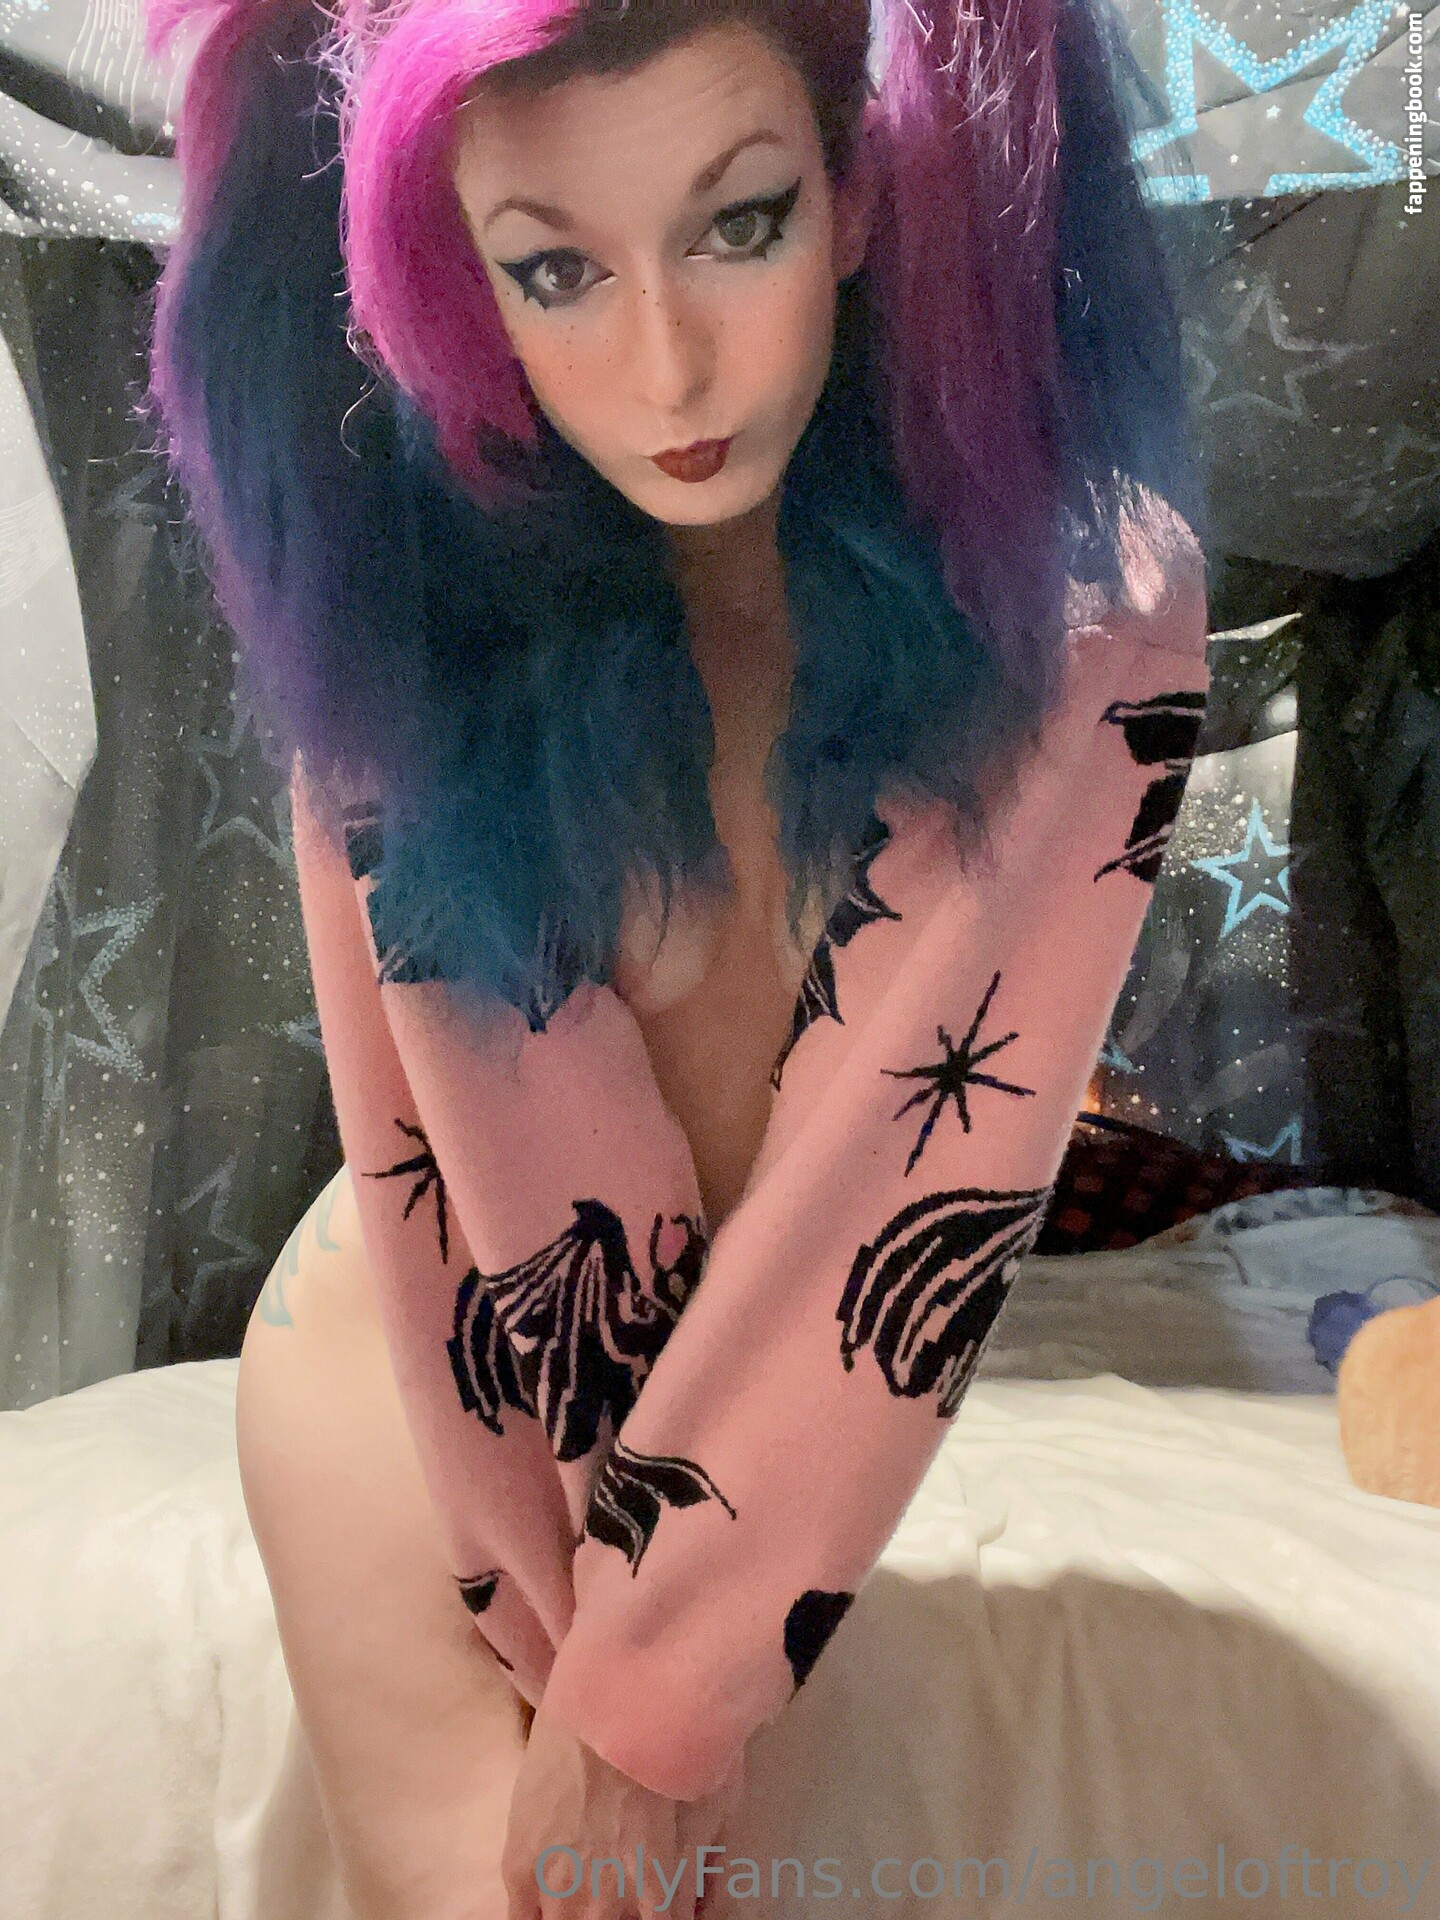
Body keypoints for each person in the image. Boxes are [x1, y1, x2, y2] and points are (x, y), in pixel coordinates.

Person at [143, 0, 1210, 1914]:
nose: (666, 367)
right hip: (403, 1383)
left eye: (740, 222)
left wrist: (656, 1693)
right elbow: (443, 1154)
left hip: (747, 1466)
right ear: (454, 278)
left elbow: (919, 1184)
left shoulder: (1085, 623)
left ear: (862, 188)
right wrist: (613, 1689)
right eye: (555, 270)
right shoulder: (399, 625)